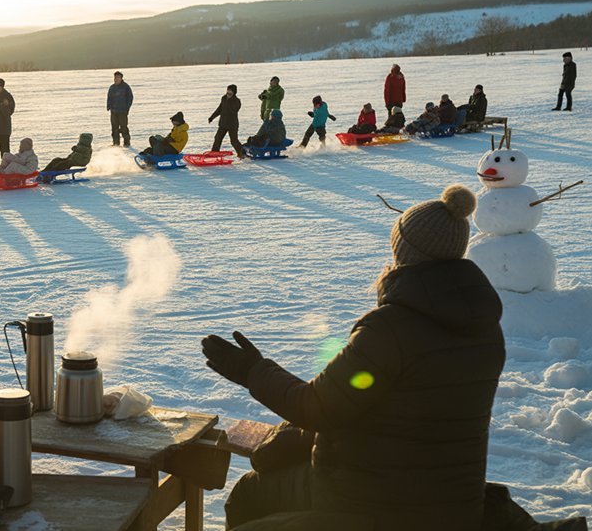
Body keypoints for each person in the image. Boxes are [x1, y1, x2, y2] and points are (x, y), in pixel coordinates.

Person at [202, 185, 507, 531]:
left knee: (250, 494)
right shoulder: (485, 328)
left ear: (404, 250)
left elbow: (317, 407)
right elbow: (394, 411)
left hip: (376, 506)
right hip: (452, 504)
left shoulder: (392, 328)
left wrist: (251, 370)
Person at [209, 84, 242, 155]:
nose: (228, 93)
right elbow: (219, 109)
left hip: (232, 125)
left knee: (234, 141)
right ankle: (214, 153)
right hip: (223, 124)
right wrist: (212, 117)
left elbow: (234, 110)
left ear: (234, 92)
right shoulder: (224, 98)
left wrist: (229, 100)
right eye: (228, 91)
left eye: (230, 91)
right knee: (217, 138)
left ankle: (242, 153)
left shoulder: (237, 101)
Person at [107, 71, 133, 146]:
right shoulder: (112, 87)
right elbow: (109, 97)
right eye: (115, 77)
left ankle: (127, 142)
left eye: (118, 77)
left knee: (123, 127)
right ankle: (116, 142)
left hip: (122, 111)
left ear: (121, 78)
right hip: (114, 111)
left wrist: (127, 108)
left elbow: (130, 98)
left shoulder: (126, 87)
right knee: (114, 128)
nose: (116, 79)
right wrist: (109, 106)